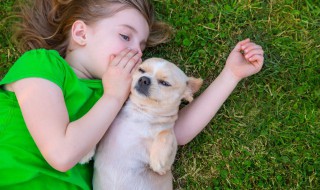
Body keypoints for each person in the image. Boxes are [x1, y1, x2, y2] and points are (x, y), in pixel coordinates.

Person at [0, 0, 264, 189]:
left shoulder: (119, 90)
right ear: (81, 33)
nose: (137, 53)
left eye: (141, 46)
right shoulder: (41, 65)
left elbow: (176, 130)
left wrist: (231, 75)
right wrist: (113, 97)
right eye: (126, 36)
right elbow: (61, 154)